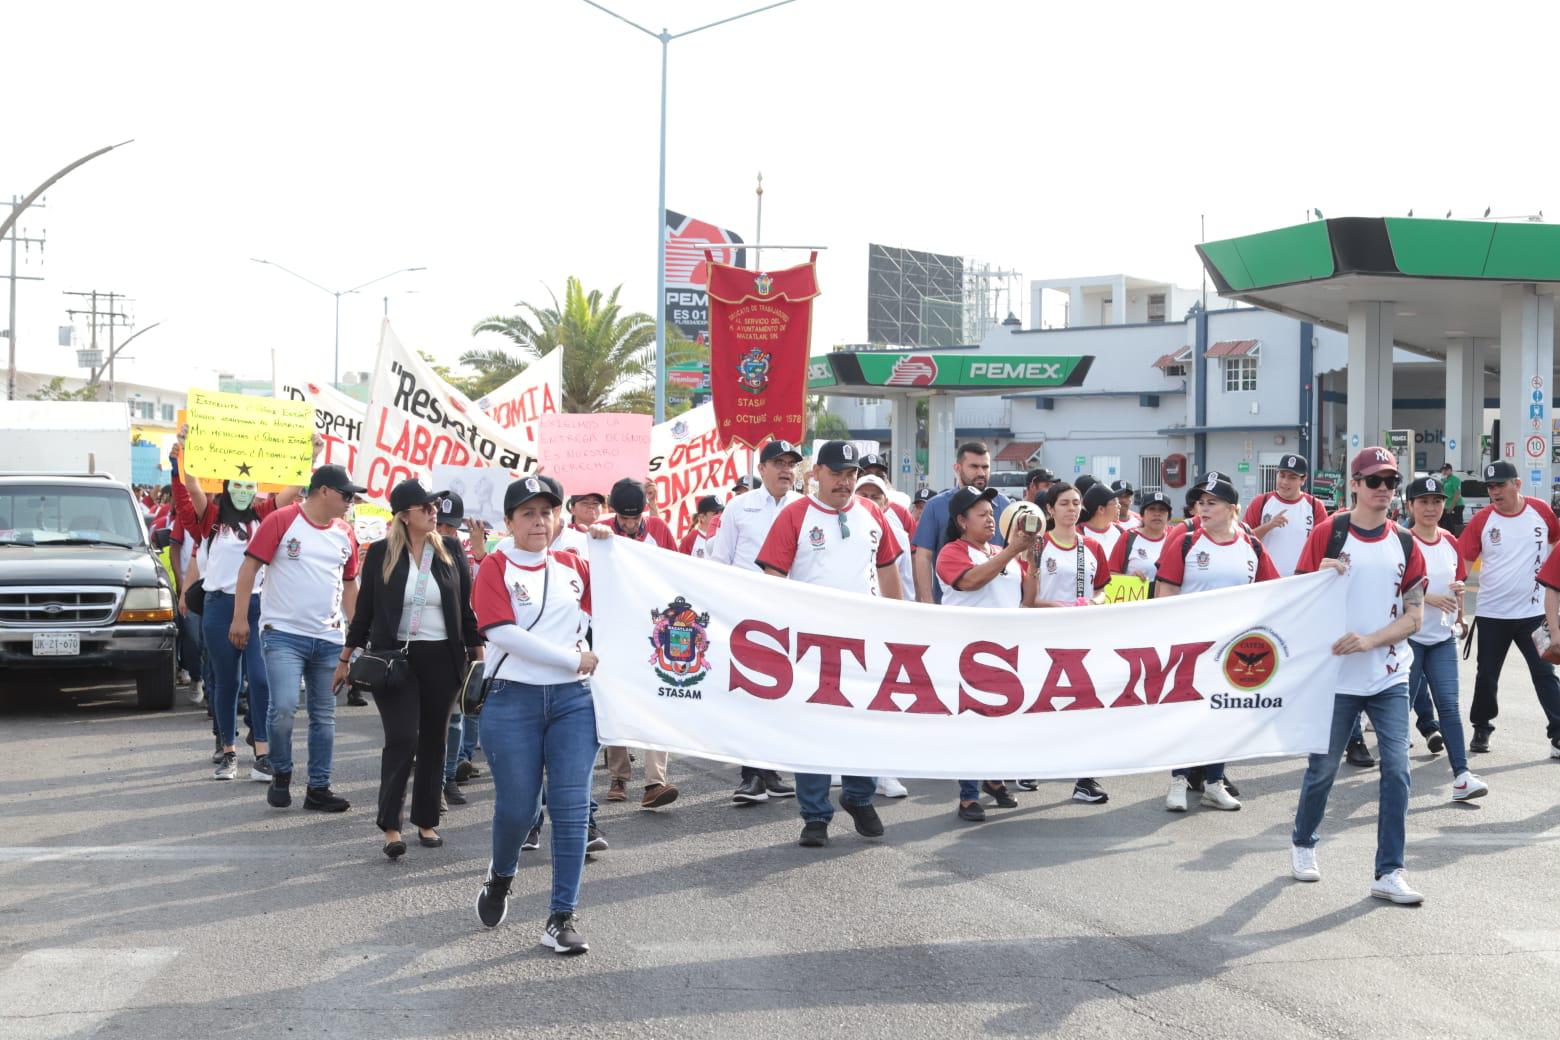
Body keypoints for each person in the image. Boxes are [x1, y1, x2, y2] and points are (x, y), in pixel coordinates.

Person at [1290, 446, 1428, 905]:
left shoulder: (1405, 542)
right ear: (1355, 485)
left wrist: (1371, 641)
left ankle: (1389, 870)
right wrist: (1318, 577)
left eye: (1390, 481)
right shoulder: (1329, 534)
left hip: (1388, 674)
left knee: (1397, 771)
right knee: (1323, 769)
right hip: (1335, 677)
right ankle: (1304, 841)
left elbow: (1414, 617)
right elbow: (1294, 598)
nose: (1384, 489)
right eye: (1374, 481)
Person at [471, 475, 601, 954]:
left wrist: (609, 547)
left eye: (547, 512)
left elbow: (622, 598)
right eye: (527, 513)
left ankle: (560, 917)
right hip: (513, 700)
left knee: (570, 810)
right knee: (519, 809)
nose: (538, 521)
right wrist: (571, 658)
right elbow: (501, 632)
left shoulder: (575, 564)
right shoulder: (494, 567)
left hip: (573, 702)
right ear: (508, 521)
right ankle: (501, 874)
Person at [757, 440, 904, 847]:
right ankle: (816, 815)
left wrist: (902, 623)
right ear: (816, 474)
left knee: (863, 721)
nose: (844, 482)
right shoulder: (796, 516)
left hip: (866, 639)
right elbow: (773, 575)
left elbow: (888, 569)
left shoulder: (872, 513)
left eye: (851, 474)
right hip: (811, 644)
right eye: (836, 473)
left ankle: (858, 797)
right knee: (813, 728)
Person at [344, 479, 482, 857]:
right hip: (395, 661)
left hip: (444, 658)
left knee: (434, 741)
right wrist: (346, 657)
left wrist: (478, 660)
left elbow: (467, 611)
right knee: (402, 739)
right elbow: (365, 612)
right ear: (404, 516)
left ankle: (426, 821)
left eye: (434, 505)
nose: (434, 511)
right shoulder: (380, 554)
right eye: (425, 507)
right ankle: (391, 825)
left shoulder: (451, 548)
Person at [232, 464, 362, 814]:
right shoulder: (281, 520)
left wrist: (358, 636)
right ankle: (282, 772)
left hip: (329, 638)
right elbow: (249, 567)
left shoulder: (345, 532)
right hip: (283, 635)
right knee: (285, 707)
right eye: (345, 494)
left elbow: (350, 584)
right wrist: (240, 617)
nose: (350, 500)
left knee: (324, 714)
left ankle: (319, 787)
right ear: (323, 491)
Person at [1154, 474, 1279, 812]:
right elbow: (1165, 593)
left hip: (1235, 650)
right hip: (1192, 646)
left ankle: (1214, 782)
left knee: (1224, 716)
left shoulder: (1251, 544)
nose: (1203, 509)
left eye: (1212, 503)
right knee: (1188, 716)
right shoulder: (1186, 541)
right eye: (1200, 503)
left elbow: (1274, 592)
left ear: (1232, 508)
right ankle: (1178, 781)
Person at [170, 440, 279, 781]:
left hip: (258, 605)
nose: (244, 491)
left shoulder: (263, 516)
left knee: (260, 680)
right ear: (227, 488)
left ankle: (262, 753)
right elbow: (191, 486)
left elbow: (292, 493)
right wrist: (186, 451)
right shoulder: (212, 519)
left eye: (250, 486)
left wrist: (311, 454)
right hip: (218, 606)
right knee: (227, 681)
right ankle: (228, 751)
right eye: (237, 485)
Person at [707, 439, 804, 805]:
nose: (785, 470)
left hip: (791, 612)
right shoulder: (739, 507)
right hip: (747, 612)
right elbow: (721, 561)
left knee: (782, 694)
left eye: (790, 464)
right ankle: (750, 776)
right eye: (777, 463)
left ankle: (772, 771)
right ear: (761, 469)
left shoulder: (804, 507)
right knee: (749, 692)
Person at [935, 485, 1036, 822]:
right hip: (969, 651)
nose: (990, 519)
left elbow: (1029, 597)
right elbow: (969, 582)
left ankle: (993, 779)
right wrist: (1010, 552)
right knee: (972, 724)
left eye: (991, 513)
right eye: (981, 514)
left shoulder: (998, 551)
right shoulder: (952, 551)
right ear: (962, 521)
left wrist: (1030, 555)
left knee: (1002, 723)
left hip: (1005, 651)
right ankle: (967, 795)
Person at [1457, 460, 1560, 755]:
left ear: (1517, 484)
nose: (1494, 492)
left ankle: (1558, 733)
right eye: (1490, 487)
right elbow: (1462, 564)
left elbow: (1556, 542)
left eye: (1500, 485)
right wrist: (1458, 607)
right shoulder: (1482, 521)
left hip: (1534, 613)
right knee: (1487, 675)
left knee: (1545, 672)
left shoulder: (1541, 511)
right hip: (1493, 614)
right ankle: (1481, 728)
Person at [1402, 476, 1488, 799]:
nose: (1431, 507)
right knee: (1401, 708)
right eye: (1423, 501)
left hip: (1441, 638)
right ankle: (1394, 774)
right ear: (1410, 506)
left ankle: (1462, 776)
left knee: (1449, 707)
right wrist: (1427, 598)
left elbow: (1457, 581)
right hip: (1407, 638)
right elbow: (1388, 591)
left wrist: (1461, 613)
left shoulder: (1451, 541)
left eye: (1436, 501)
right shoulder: (1401, 541)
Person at [1026, 481, 1112, 805]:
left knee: (1086, 704)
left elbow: (1102, 588)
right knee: (1041, 702)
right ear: (1050, 509)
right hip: (1043, 636)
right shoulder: (1037, 546)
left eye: (1076, 503)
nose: (1071, 509)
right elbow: (1028, 600)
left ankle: (1085, 779)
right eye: (1064, 503)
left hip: (1083, 636)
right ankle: (1028, 763)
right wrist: (1061, 608)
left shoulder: (1093, 547)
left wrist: (1094, 603)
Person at [602, 477, 679, 808]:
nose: (630, 524)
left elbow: (677, 570)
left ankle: (655, 782)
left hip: (655, 629)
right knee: (616, 702)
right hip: (614, 628)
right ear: (613, 511)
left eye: (635, 519)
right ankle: (618, 777)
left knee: (657, 701)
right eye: (625, 518)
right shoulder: (602, 531)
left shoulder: (659, 529)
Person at [911, 442, 1012, 604]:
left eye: (985, 467)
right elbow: (923, 557)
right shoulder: (936, 505)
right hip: (953, 605)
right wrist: (928, 603)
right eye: (974, 466)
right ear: (957, 468)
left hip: (998, 606)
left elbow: (1013, 553)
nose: (981, 472)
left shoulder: (1004, 504)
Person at [435, 491, 484, 804]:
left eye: (451, 527)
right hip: (420, 645)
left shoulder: (465, 552)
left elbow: (473, 601)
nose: (445, 532)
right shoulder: (411, 550)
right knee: (426, 720)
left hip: (455, 645)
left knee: (455, 717)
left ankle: (448, 777)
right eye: (440, 524)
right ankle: (432, 776)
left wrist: (475, 646)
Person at [1244, 454, 1329, 578]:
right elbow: (1244, 542)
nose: (1285, 482)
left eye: (1292, 477)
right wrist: (1268, 526)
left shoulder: (1315, 506)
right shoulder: (1260, 502)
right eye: (1282, 475)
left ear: (1303, 479)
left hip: (1301, 580)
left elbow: (1323, 546)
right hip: (1266, 581)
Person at [856, 475, 915, 601]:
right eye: (864, 496)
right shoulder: (844, 531)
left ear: (886, 503)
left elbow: (906, 582)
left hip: (884, 610)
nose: (869, 502)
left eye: (875, 497)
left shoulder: (900, 537)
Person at [1107, 491, 1173, 588]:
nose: (1157, 514)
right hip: (1137, 600)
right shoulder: (1129, 537)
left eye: (1162, 510)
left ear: (1169, 516)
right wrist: (1128, 579)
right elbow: (1110, 574)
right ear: (1142, 515)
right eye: (1151, 509)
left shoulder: (1175, 537)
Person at [1080, 483, 1126, 562]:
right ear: (1101, 509)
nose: (1119, 506)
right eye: (1115, 501)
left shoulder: (1121, 532)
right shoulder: (1078, 533)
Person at [551, 492, 603, 559]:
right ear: (572, 509)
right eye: (585, 502)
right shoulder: (562, 532)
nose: (591, 506)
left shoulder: (607, 532)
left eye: (596, 503)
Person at [1438, 462, 1464, 533]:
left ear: (1450, 470)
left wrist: (1451, 507)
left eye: (1446, 470)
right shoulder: (1444, 480)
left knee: (1455, 525)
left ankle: (1457, 540)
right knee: (1444, 524)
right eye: (1443, 470)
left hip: (1456, 505)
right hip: (1446, 506)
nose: (1444, 471)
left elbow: (1457, 494)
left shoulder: (1455, 480)